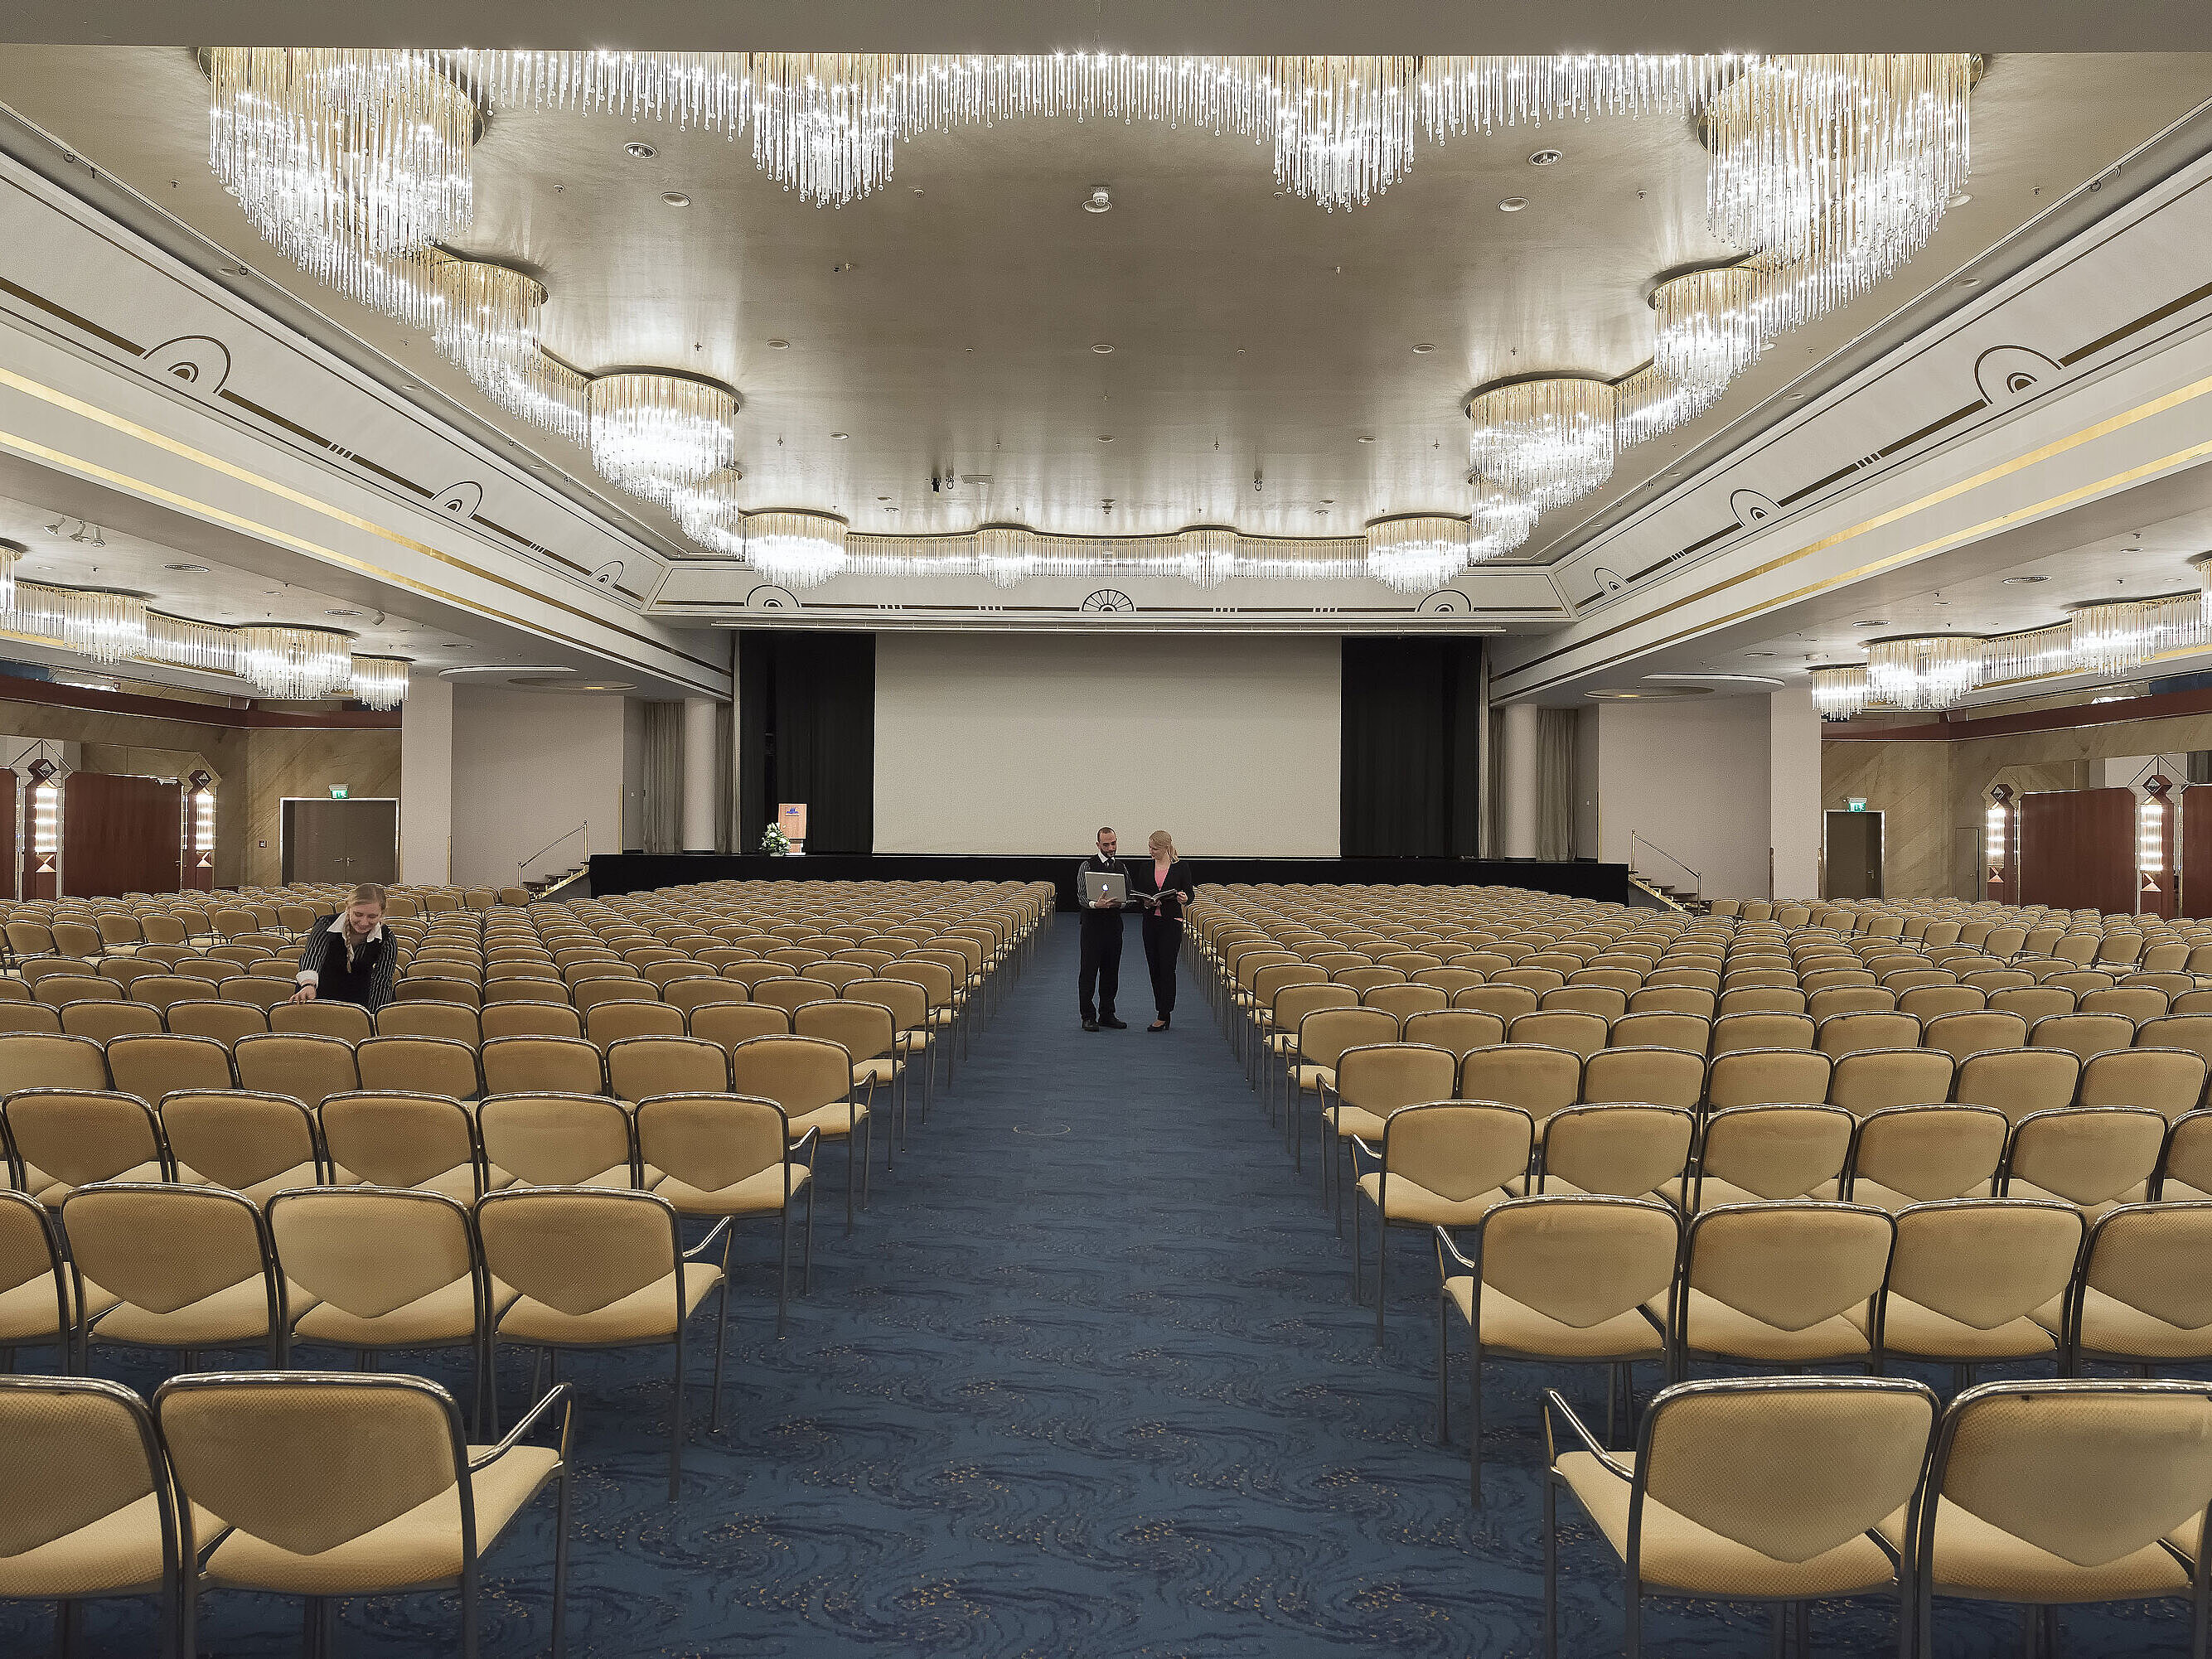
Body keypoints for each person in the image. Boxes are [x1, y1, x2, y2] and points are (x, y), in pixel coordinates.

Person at [289, 882, 398, 1013]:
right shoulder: (326, 924)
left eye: (372, 916)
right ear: (348, 908)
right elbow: (313, 955)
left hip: (359, 1003)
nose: (364, 922)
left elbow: (382, 981)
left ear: (382, 914)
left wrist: (374, 1016)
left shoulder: (387, 938)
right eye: (358, 914)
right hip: (317, 995)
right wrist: (308, 985)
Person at [1130, 830, 1195, 1031]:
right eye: (1149, 848)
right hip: (1150, 922)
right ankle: (1161, 1009)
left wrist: (1185, 899)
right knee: (1154, 967)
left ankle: (1164, 1013)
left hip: (1171, 922)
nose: (1151, 852)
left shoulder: (1181, 867)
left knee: (1167, 967)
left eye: (1155, 849)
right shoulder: (1145, 867)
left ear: (1166, 848)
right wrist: (1146, 902)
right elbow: (1139, 894)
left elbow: (1189, 893)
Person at [1076, 825, 1129, 1031]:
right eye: (1106, 844)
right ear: (1098, 844)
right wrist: (1095, 905)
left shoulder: (1121, 867)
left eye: (1113, 843)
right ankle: (1088, 1016)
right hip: (1092, 929)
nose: (1111, 847)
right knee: (1088, 972)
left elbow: (1129, 895)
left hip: (1114, 928)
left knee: (1111, 972)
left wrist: (1121, 904)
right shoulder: (1087, 865)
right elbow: (1080, 896)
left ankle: (1107, 1013)